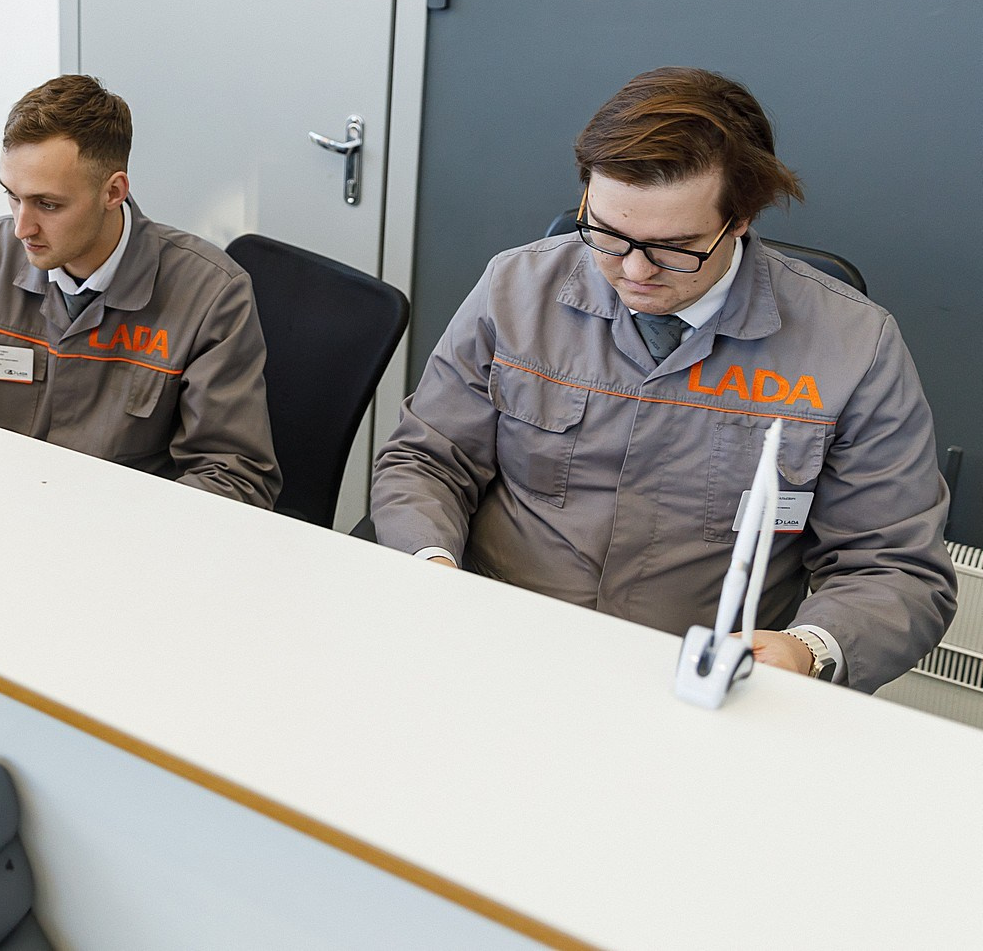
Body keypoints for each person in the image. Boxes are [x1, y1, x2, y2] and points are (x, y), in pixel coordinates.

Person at [371, 67, 954, 691]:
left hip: (695, 682)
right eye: (606, 234)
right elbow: (428, 460)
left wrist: (807, 650)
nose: (633, 271)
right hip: (493, 643)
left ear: (741, 220)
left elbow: (894, 567)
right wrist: (430, 565)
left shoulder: (853, 347)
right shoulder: (515, 289)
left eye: (673, 247)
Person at [0, 75, 279, 507]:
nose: (22, 228)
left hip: (129, 535)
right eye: (12, 196)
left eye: (48, 204)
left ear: (113, 191)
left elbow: (234, 478)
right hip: (13, 509)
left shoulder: (210, 296)